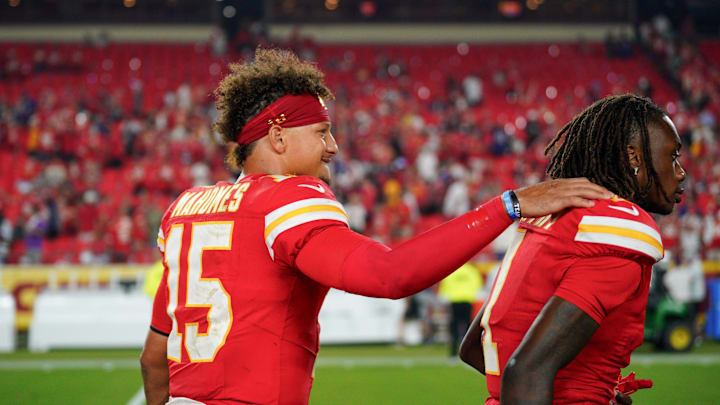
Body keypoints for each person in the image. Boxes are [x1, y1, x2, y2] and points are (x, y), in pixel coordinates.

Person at [139, 48, 611, 405]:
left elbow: (154, 355)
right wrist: (508, 205)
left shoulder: (188, 207)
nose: (333, 147)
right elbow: (389, 275)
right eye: (321, 132)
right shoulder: (287, 198)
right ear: (278, 136)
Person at [459, 94, 686, 405]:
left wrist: (587, 383)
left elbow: (474, 348)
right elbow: (526, 372)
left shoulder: (553, 217)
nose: (681, 172)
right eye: (673, 157)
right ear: (634, 157)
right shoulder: (617, 229)